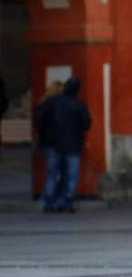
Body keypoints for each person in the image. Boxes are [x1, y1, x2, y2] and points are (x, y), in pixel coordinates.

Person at [34, 77, 91, 213]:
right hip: (73, 144)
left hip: (53, 143)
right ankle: (67, 202)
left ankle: (48, 202)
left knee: (52, 173)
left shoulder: (51, 102)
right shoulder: (79, 104)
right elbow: (87, 123)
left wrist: (45, 134)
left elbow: (39, 119)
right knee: (70, 174)